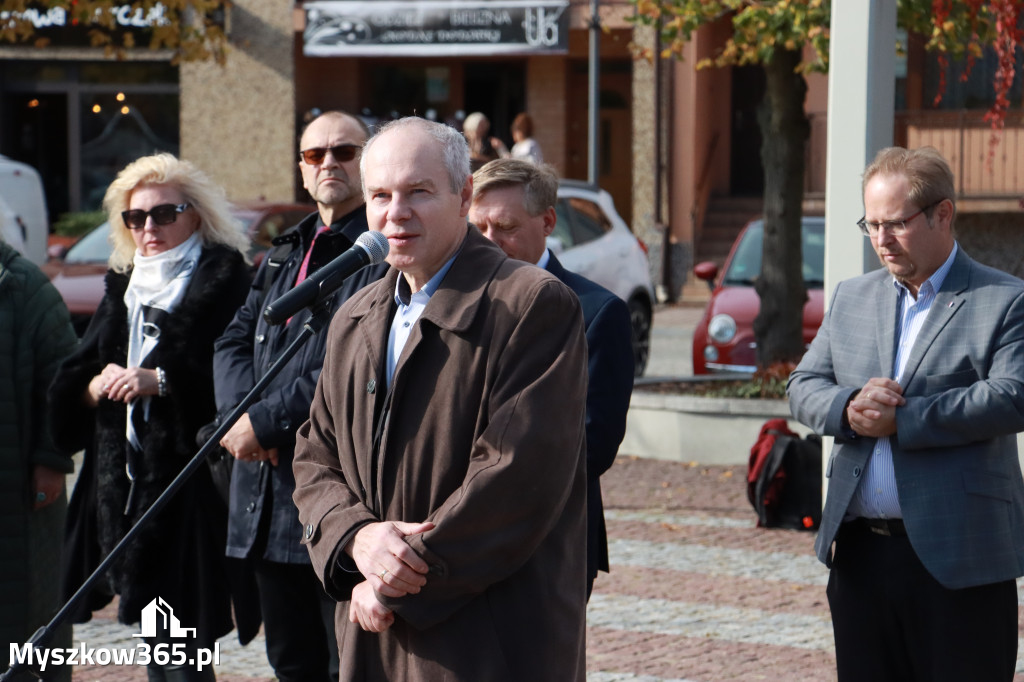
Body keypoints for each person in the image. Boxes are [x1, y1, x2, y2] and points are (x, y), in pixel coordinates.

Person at [292, 116, 589, 681]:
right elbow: (314, 456)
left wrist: (393, 583)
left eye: (418, 192)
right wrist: (355, 540)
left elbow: (514, 479)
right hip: (370, 633)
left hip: (485, 640)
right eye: (379, 194)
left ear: (464, 196)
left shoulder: (531, 303)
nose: (395, 212)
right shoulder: (353, 316)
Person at [787, 146, 1024, 682]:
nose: (881, 240)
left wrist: (905, 419)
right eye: (870, 225)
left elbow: (1012, 395)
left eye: (895, 224)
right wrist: (848, 407)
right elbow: (802, 386)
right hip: (861, 558)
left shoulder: (1004, 299)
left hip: (960, 558)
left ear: (944, 214)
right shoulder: (852, 297)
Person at [49, 153, 252, 682]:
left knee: (186, 646)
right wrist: (95, 388)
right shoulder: (125, 285)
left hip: (190, 486)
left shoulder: (227, 279)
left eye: (164, 214)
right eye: (135, 217)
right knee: (155, 643)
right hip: (125, 489)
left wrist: (160, 382)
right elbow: (78, 373)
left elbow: (241, 378)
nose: (148, 228)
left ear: (197, 214)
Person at [212, 110, 388, 682]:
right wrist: (242, 421)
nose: (330, 163)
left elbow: (341, 363)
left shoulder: (376, 254)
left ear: (368, 162)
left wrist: (264, 423)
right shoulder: (285, 251)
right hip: (262, 503)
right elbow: (234, 338)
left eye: (344, 152)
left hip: (328, 498)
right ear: (303, 172)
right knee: (289, 663)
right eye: (316, 155)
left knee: (347, 666)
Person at [469, 157, 632, 598]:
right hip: (457, 540)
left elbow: (591, 444)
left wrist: (485, 493)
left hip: (550, 541)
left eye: (505, 227)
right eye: (477, 227)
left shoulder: (597, 312)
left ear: (547, 222)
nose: (489, 242)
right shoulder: (453, 303)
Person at [0, 238, 78, 681]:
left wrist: (51, 459)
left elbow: (62, 381)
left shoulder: (24, 285)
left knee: (26, 629)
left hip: (16, 500)